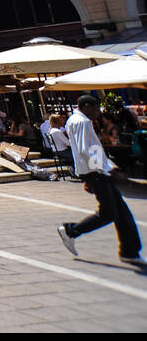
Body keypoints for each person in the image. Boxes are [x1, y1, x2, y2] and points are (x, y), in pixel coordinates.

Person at [56, 95, 143, 265]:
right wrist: (104, 170)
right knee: (110, 213)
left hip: (95, 171)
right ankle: (71, 230)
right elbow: (86, 150)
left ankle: (130, 251)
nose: (98, 112)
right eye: (96, 108)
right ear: (86, 106)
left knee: (121, 212)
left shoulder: (74, 120)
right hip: (97, 172)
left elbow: (84, 151)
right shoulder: (82, 122)